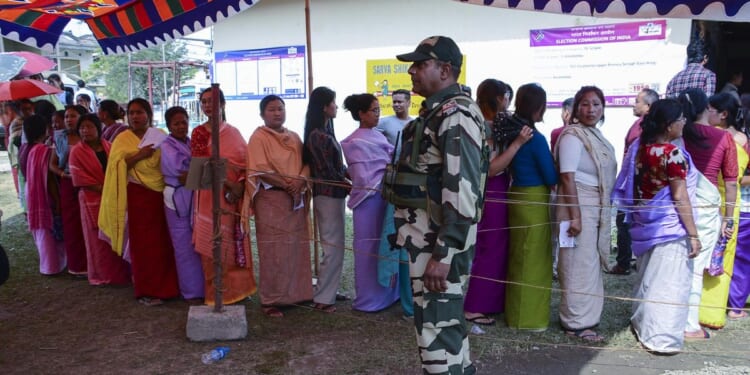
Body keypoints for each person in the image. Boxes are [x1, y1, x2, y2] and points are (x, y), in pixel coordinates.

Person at [391, 35, 487, 374]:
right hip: (431, 243)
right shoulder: (441, 112)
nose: (413, 72)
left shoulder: (455, 115)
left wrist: (443, 255)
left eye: (420, 64)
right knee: (446, 327)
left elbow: (461, 192)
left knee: (436, 331)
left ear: (445, 70)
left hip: (437, 246)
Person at [613, 98, 700, 353]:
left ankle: (642, 325)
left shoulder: (640, 148)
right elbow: (680, 196)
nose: (684, 122)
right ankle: (660, 338)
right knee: (668, 283)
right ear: (668, 125)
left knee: (648, 276)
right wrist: (693, 234)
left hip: (644, 222)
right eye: (681, 119)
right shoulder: (672, 154)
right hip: (668, 226)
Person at [463, 79, 531, 326]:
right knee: (490, 247)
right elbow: (491, 169)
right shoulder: (487, 126)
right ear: (500, 98)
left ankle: (488, 301)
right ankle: (475, 306)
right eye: (507, 98)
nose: (508, 104)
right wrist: (517, 144)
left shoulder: (482, 121)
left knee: (493, 246)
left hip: (492, 190)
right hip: (491, 189)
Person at [99, 98, 179, 306]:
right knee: (142, 245)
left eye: (140, 112)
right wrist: (139, 155)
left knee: (163, 243)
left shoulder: (160, 136)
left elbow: (169, 162)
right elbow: (116, 165)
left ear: (149, 115)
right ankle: (147, 289)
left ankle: (168, 287)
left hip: (159, 196)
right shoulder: (122, 138)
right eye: (131, 113)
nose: (135, 116)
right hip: (136, 196)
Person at [556, 86, 617, 342]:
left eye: (596, 104)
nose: (591, 109)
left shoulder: (595, 135)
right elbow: (567, 176)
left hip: (593, 205)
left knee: (589, 263)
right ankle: (576, 322)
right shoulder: (573, 136)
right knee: (576, 263)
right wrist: (576, 216)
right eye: (585, 104)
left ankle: (586, 318)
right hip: (577, 205)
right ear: (575, 109)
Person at [244, 95, 312, 317]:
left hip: (294, 200)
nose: (277, 113)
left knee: (296, 247)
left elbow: (306, 163)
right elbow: (259, 169)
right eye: (272, 110)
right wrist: (286, 184)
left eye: (280, 109)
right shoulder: (258, 137)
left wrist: (300, 181)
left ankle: (298, 294)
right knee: (273, 250)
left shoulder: (293, 137)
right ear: (262, 114)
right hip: (271, 200)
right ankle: (271, 299)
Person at [675, 88, 733, 340]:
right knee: (696, 266)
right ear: (705, 109)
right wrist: (728, 217)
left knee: (672, 260)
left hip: (676, 203)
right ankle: (689, 324)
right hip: (707, 207)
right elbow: (731, 181)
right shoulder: (723, 138)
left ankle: (667, 317)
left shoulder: (676, 134)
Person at [191, 88, 256, 306]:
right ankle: (217, 294)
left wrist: (237, 187)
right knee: (212, 244)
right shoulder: (199, 133)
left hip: (232, 198)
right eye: (204, 102)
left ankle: (239, 291)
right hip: (209, 195)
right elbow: (200, 167)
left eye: (212, 101)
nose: (208, 105)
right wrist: (228, 183)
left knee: (232, 241)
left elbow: (246, 164)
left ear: (223, 104)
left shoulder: (234, 132)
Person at [502, 83, 557, 331]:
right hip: (534, 199)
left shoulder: (509, 131)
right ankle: (529, 319)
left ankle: (514, 313)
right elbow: (550, 176)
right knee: (534, 260)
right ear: (538, 108)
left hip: (515, 196)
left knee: (517, 256)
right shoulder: (536, 139)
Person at [341, 93, 399, 312]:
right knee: (366, 247)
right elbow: (362, 175)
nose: (378, 114)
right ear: (361, 114)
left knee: (385, 243)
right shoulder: (354, 141)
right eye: (374, 110)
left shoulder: (378, 135)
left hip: (383, 198)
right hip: (366, 200)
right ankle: (368, 298)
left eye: (378, 110)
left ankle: (388, 293)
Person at [699, 92, 747, 330]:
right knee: (722, 254)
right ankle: (712, 313)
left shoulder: (711, 137)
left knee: (711, 252)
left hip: (715, 200)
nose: (707, 113)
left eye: (711, 109)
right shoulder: (742, 139)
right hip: (729, 202)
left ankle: (702, 311)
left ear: (723, 114)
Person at [69, 114, 130, 285]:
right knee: (97, 240)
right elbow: (79, 178)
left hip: (113, 199)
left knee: (116, 236)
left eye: (89, 127)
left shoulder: (110, 147)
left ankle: (121, 274)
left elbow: (120, 169)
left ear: (98, 128)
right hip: (91, 199)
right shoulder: (76, 151)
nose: (85, 131)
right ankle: (103, 275)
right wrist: (107, 189)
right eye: (82, 128)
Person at [304, 86, 350, 313]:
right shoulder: (318, 136)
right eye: (333, 102)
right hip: (327, 194)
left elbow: (336, 167)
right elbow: (327, 171)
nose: (336, 106)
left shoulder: (325, 131)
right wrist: (349, 183)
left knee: (336, 246)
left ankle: (328, 291)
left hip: (334, 193)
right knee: (332, 246)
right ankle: (323, 298)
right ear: (324, 107)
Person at [611, 88, 660, 276]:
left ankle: (624, 262)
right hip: (632, 183)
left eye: (638, 101)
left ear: (648, 106)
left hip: (634, 184)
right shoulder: (640, 124)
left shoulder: (644, 127)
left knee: (624, 222)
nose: (634, 104)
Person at [160, 106, 204, 302]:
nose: (181, 126)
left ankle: (202, 286)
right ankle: (191, 291)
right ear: (169, 125)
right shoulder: (166, 145)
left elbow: (195, 169)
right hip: (177, 197)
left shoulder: (189, 142)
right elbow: (183, 173)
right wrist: (202, 170)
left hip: (192, 193)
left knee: (197, 241)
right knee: (183, 244)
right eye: (176, 123)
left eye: (184, 122)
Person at [24, 115, 66, 275]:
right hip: (45, 194)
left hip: (33, 193)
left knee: (42, 232)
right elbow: (48, 178)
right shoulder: (44, 150)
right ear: (45, 129)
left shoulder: (29, 149)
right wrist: (56, 199)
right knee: (49, 232)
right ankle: (53, 266)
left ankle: (48, 265)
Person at [49, 105, 88, 277]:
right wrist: (63, 175)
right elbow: (52, 164)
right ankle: (77, 266)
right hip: (67, 184)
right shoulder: (60, 139)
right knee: (72, 225)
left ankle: (93, 262)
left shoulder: (89, 136)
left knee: (88, 223)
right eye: (66, 117)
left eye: (73, 116)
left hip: (87, 184)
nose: (68, 120)